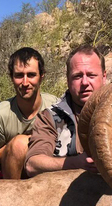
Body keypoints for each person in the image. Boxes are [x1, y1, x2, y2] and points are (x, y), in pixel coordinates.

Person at [25, 45, 107, 177]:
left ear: (104, 77)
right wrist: (76, 163)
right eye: (77, 76)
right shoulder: (50, 116)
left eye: (91, 75)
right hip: (64, 192)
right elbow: (32, 164)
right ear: (68, 80)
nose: (85, 82)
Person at [0, 47, 58, 179]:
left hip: (47, 171)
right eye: (19, 75)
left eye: (31, 75)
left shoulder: (55, 107)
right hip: (10, 176)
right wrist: (18, 146)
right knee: (19, 144)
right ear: (11, 78)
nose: (25, 83)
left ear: (41, 76)